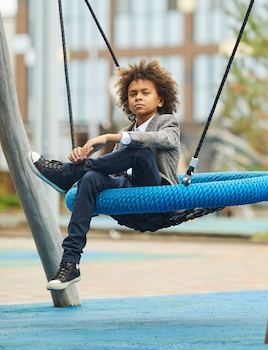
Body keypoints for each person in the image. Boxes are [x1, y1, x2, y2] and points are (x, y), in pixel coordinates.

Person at [28, 59, 180, 291]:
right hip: (130, 194)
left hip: (158, 197)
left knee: (141, 154)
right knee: (91, 178)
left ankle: (67, 174)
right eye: (132, 94)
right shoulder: (126, 133)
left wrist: (110, 138)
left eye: (145, 93)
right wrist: (85, 156)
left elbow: (163, 140)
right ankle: (70, 262)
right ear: (127, 102)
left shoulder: (167, 123)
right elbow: (115, 169)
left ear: (160, 100)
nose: (138, 97)